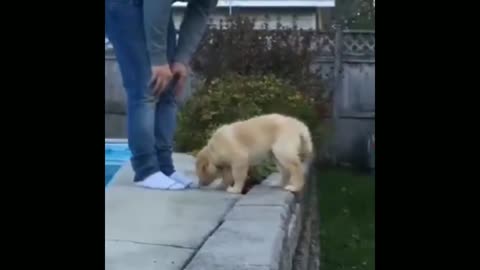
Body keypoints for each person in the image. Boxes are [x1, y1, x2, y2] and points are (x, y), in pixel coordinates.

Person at [105, 0, 218, 189]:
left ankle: (165, 168)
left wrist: (181, 59)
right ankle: (146, 171)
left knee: (169, 86)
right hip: (122, 6)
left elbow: (199, 11)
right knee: (146, 88)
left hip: (152, 6)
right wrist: (158, 60)